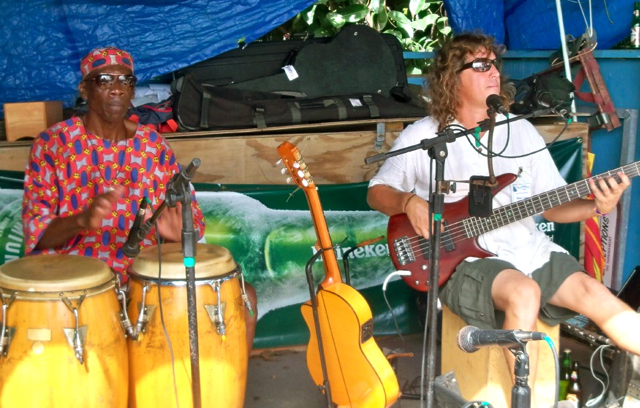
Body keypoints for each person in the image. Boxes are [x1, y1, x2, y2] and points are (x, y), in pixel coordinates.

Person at [367, 33, 640, 404]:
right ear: (452, 77)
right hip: (463, 260)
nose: (493, 71)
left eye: (494, 63)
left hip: (526, 248)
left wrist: (599, 206)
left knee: (595, 294)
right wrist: (407, 201)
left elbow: (552, 205)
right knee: (523, 292)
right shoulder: (426, 135)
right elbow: (376, 191)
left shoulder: (520, 131)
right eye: (480, 65)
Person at [22, 46, 257, 350]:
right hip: (73, 277)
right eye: (105, 79)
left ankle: (223, 393)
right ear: (84, 88)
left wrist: (177, 233)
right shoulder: (53, 144)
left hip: (143, 275)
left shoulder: (153, 146)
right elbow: (36, 234)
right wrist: (81, 220)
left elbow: (192, 222)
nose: (118, 88)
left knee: (244, 298)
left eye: (126, 81)